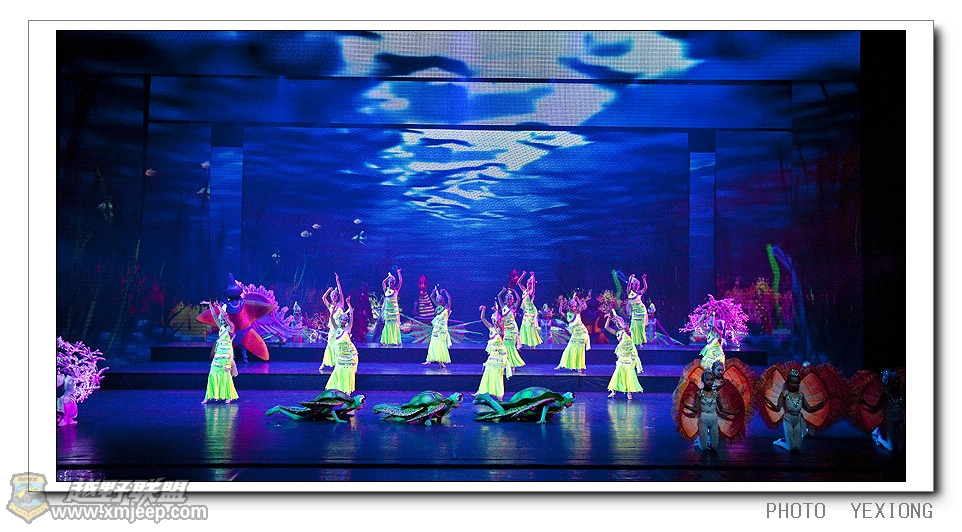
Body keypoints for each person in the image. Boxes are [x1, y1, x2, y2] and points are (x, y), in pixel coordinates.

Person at [764, 368, 826, 452]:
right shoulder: (785, 393)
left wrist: (821, 404)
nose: (794, 385)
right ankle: (779, 442)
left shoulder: (801, 395)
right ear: (788, 383)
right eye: (792, 382)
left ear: (799, 383)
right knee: (791, 448)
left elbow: (809, 409)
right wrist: (770, 404)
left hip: (798, 420)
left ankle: (786, 441)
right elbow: (778, 408)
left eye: (796, 383)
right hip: (788, 419)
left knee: (797, 448)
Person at [681, 370, 736, 452]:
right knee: (703, 448)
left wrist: (732, 413)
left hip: (714, 420)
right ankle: (698, 441)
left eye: (711, 380)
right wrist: (686, 406)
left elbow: (721, 409)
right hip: (703, 420)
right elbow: (696, 409)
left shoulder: (716, 394)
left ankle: (706, 441)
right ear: (703, 380)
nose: (709, 382)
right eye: (707, 380)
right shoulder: (699, 393)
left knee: (714, 448)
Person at [202, 300, 239, 404]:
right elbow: (214, 316)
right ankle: (209, 396)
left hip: (226, 354)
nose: (221, 319)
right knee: (213, 372)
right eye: (221, 317)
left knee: (225, 374)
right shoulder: (221, 327)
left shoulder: (231, 327)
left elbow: (226, 317)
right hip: (218, 353)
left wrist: (219, 307)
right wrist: (210, 305)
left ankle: (228, 396)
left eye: (223, 317)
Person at [604, 311, 643, 399]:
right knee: (617, 373)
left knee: (629, 374)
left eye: (619, 323)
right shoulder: (617, 333)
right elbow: (606, 328)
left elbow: (624, 327)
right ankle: (613, 391)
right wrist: (609, 318)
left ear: (622, 322)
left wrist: (617, 318)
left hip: (629, 356)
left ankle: (629, 392)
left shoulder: (628, 331)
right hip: (622, 356)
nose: (618, 325)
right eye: (616, 323)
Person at [475, 305, 511, 400]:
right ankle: (483, 391)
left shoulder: (501, 329)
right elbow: (482, 318)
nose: (494, 320)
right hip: (493, 354)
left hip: (500, 356)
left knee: (497, 375)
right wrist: (484, 309)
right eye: (493, 319)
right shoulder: (491, 328)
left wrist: (497, 311)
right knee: (488, 372)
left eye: (496, 319)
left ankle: (499, 394)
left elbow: (498, 323)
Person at [325, 310, 358, 395]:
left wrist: (349, 305)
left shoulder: (348, 328)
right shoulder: (337, 328)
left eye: (344, 320)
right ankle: (338, 388)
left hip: (349, 354)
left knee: (348, 372)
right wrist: (333, 310)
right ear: (339, 320)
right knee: (338, 370)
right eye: (341, 319)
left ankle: (347, 390)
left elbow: (352, 315)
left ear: (346, 321)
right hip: (340, 354)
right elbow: (331, 318)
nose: (342, 321)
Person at [555, 294, 589, 374]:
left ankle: (579, 367)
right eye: (572, 306)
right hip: (575, 334)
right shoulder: (568, 314)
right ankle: (561, 364)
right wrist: (561, 303)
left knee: (580, 351)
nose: (574, 308)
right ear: (569, 306)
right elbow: (560, 312)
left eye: (575, 306)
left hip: (582, 333)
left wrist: (577, 299)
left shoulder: (577, 312)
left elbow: (582, 306)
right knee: (568, 349)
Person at [319, 273, 346, 372]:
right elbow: (323, 298)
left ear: (337, 296)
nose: (333, 297)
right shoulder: (330, 306)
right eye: (332, 295)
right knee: (330, 344)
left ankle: (337, 363)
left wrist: (337, 281)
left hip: (339, 329)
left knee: (338, 345)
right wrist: (328, 291)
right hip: (332, 329)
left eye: (334, 295)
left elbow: (341, 292)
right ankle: (325, 362)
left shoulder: (340, 304)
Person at [497, 286, 526, 370]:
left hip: (513, 330)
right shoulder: (503, 307)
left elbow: (519, 299)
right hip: (505, 329)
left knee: (511, 346)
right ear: (505, 300)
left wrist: (515, 291)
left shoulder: (514, 307)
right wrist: (503, 291)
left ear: (512, 300)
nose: (509, 300)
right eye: (508, 298)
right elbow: (499, 296)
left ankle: (512, 364)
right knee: (505, 346)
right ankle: (506, 363)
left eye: (511, 298)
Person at [423, 287, 452, 368]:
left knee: (441, 345)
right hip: (436, 328)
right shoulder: (438, 306)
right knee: (433, 343)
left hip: (442, 329)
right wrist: (434, 291)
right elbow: (431, 297)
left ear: (442, 299)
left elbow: (450, 299)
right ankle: (429, 360)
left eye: (439, 298)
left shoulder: (446, 307)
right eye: (437, 298)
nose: (438, 299)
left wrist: (445, 291)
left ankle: (441, 362)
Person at [516, 271, 543, 348]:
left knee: (530, 327)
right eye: (528, 281)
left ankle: (533, 344)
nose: (529, 283)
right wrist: (523, 274)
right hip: (526, 311)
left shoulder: (531, 292)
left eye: (530, 282)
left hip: (531, 312)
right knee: (524, 325)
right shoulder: (524, 291)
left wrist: (533, 277)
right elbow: (519, 282)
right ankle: (527, 343)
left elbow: (534, 286)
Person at [380, 269, 403, 346]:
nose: (391, 283)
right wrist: (388, 277)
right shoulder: (386, 290)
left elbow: (400, 281)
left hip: (394, 311)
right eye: (390, 282)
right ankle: (384, 341)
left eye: (392, 282)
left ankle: (394, 340)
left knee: (395, 324)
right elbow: (383, 282)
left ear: (394, 283)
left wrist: (399, 273)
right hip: (387, 311)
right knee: (387, 324)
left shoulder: (396, 290)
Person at [625, 273, 649, 347]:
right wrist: (631, 279)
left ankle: (640, 342)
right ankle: (634, 342)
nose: (637, 286)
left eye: (638, 285)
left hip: (641, 311)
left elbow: (645, 288)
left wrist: (644, 279)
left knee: (640, 327)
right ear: (632, 285)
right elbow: (628, 286)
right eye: (635, 285)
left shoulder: (639, 293)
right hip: (635, 312)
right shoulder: (629, 292)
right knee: (633, 327)